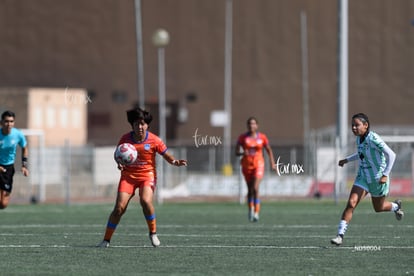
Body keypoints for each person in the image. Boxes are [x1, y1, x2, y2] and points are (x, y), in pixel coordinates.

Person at [97, 108, 187, 248]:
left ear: (147, 125)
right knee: (119, 208)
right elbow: (118, 155)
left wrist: (175, 162)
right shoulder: (125, 139)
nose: (139, 127)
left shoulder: (154, 140)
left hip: (147, 176)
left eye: (142, 124)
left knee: (145, 200)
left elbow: (166, 154)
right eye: (136, 124)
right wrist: (119, 164)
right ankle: (106, 240)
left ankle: (153, 233)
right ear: (132, 125)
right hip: (128, 177)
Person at [331, 113, 404, 246]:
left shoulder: (374, 138)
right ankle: (340, 236)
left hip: (377, 180)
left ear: (366, 125)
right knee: (351, 203)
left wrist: (385, 174)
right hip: (363, 177)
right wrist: (346, 160)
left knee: (379, 207)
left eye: (356, 125)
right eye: (352, 125)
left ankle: (396, 206)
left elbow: (392, 155)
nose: (353, 127)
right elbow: (361, 154)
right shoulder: (359, 139)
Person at [235, 117, 277, 222]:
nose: (251, 125)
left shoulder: (262, 137)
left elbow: (268, 150)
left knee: (255, 188)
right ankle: (250, 209)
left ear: (257, 126)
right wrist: (242, 153)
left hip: (258, 165)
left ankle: (257, 212)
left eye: (253, 124)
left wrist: (273, 163)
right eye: (249, 123)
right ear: (247, 125)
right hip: (246, 165)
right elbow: (236, 152)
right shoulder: (242, 137)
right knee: (250, 190)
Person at [0, 110, 29, 209]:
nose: (9, 124)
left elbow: (24, 147)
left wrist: (24, 165)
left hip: (8, 168)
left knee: (3, 204)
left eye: (11, 121)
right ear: (1, 122)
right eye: (6, 121)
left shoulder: (18, 135)